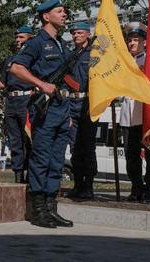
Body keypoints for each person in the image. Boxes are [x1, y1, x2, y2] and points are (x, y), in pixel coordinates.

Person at [9, 0, 74, 228]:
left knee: (57, 161)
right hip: (44, 109)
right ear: (46, 17)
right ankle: (37, 212)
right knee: (42, 158)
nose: (64, 13)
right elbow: (16, 68)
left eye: (64, 10)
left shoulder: (62, 44)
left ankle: (50, 209)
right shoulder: (37, 43)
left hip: (62, 108)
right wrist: (40, 83)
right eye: (59, 11)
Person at [0, 26, 35, 183]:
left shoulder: (34, 59)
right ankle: (18, 176)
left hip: (27, 100)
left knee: (29, 139)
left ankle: (31, 175)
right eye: (17, 38)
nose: (18, 40)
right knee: (15, 140)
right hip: (11, 102)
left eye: (22, 38)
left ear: (30, 39)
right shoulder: (10, 60)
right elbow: (3, 83)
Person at [119, 22, 150, 204]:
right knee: (131, 155)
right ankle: (136, 188)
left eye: (136, 40)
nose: (132, 43)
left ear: (144, 42)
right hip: (128, 115)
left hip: (145, 113)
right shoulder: (124, 62)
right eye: (130, 40)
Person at [65, 21, 96, 201]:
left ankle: (89, 185)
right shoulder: (70, 56)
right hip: (72, 104)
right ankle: (77, 184)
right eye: (73, 33)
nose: (76, 36)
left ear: (87, 34)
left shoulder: (94, 54)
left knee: (88, 147)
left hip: (88, 104)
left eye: (79, 33)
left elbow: (99, 78)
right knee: (74, 147)